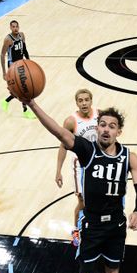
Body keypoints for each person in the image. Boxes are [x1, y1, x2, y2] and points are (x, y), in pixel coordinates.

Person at [25, 97, 137, 273]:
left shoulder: (129, 157)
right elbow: (59, 132)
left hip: (115, 226)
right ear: (97, 127)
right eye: (102, 124)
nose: (106, 129)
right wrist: (33, 104)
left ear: (119, 131)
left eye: (112, 126)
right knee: (86, 267)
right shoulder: (87, 150)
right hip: (91, 223)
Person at [56, 88, 97, 247]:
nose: (84, 103)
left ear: (91, 101)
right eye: (80, 100)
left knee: (96, 197)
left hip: (96, 163)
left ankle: (92, 225)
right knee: (82, 200)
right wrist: (58, 170)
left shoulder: (99, 115)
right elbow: (62, 146)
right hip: (80, 165)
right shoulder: (71, 121)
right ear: (76, 103)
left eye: (87, 99)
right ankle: (76, 230)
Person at [0, 20, 35, 119]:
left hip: (21, 63)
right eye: (13, 27)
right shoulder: (8, 39)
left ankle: (6, 101)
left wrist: (29, 62)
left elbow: (24, 50)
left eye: (16, 26)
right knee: (23, 89)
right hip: (12, 66)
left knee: (21, 89)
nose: (15, 28)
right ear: (10, 28)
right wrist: (4, 72)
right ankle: (25, 111)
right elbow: (2, 55)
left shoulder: (22, 35)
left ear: (19, 27)